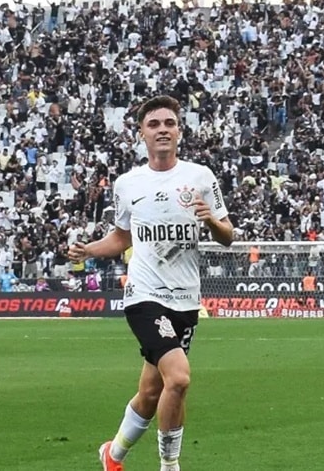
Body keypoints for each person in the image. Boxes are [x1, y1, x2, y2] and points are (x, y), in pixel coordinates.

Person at [70, 95, 233, 471]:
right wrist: (89, 251)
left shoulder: (201, 177)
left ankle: (112, 455)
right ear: (141, 134)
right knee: (178, 378)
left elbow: (227, 235)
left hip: (186, 299)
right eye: (154, 124)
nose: (162, 129)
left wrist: (210, 220)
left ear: (179, 131)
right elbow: (122, 237)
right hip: (144, 296)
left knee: (151, 390)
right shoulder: (129, 184)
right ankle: (169, 465)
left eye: (169, 123)